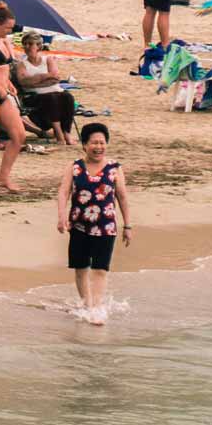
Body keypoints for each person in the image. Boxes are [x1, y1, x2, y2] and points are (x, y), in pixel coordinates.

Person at [54, 122, 132, 325]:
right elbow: (63, 191)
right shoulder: (75, 167)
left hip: (106, 227)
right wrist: (61, 216)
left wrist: (128, 226)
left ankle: (96, 309)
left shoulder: (114, 168)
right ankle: (86, 305)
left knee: (100, 269)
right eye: (94, 143)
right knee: (80, 269)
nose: (99, 147)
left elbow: (122, 197)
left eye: (102, 143)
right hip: (79, 226)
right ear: (85, 145)